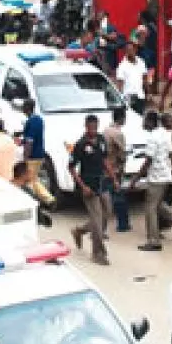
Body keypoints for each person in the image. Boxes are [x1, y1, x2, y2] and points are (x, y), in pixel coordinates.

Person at [132, 110, 172, 251]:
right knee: (159, 205)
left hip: (156, 178)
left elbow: (148, 161)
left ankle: (154, 241)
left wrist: (136, 178)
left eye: (145, 120)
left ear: (150, 122)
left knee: (150, 208)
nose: (143, 123)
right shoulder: (165, 134)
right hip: (166, 175)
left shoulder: (152, 137)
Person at [68, 114, 112, 265]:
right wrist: (83, 186)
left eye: (95, 127)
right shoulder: (80, 144)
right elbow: (71, 167)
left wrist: (113, 177)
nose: (93, 130)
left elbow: (105, 160)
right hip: (88, 185)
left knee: (107, 212)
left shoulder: (101, 139)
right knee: (97, 219)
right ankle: (98, 253)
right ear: (86, 127)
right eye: (90, 127)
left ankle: (79, 230)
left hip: (102, 182)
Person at [19, 99, 55, 207]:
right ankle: (41, 200)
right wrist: (22, 140)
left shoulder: (30, 122)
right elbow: (34, 137)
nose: (22, 109)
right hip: (40, 154)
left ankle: (49, 200)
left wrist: (26, 157)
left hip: (33, 156)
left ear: (27, 108)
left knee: (31, 180)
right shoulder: (39, 120)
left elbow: (30, 141)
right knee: (33, 179)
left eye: (23, 107)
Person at [102, 106, 131, 233]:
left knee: (105, 197)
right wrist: (122, 164)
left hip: (104, 168)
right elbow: (122, 154)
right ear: (122, 118)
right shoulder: (118, 134)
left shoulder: (105, 131)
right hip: (114, 169)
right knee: (119, 197)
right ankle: (123, 224)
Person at [115, 42, 149, 114]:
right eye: (127, 50)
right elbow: (120, 84)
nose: (129, 52)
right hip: (128, 98)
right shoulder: (122, 66)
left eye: (131, 50)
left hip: (140, 97)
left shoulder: (141, 62)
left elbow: (145, 79)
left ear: (135, 50)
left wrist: (147, 94)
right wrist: (120, 100)